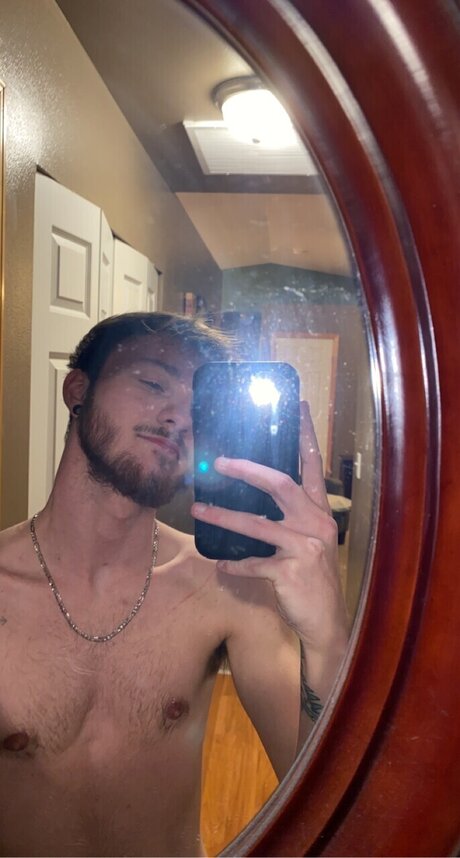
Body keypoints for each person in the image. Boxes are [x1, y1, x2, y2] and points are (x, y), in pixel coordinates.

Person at [0, 312, 349, 857]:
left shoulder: (223, 586)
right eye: (152, 383)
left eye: (198, 405)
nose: (179, 418)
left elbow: (323, 786)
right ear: (78, 390)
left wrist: (326, 637)